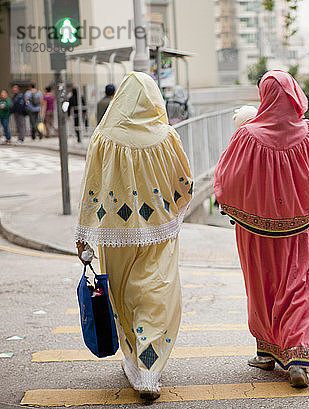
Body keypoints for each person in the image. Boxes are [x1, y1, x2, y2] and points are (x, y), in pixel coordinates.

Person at [75, 71, 193, 401]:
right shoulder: (167, 136)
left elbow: (91, 187)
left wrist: (85, 233)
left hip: (116, 233)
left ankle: (134, 359)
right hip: (159, 232)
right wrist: (172, 209)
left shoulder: (103, 137)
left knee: (124, 295)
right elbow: (184, 182)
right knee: (158, 294)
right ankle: (150, 370)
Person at [214, 70, 309, 388]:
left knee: (262, 290)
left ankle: (266, 352)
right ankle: (298, 356)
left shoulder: (247, 135)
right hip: (300, 229)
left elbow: (228, 178)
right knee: (301, 288)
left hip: (254, 233)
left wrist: (238, 208)